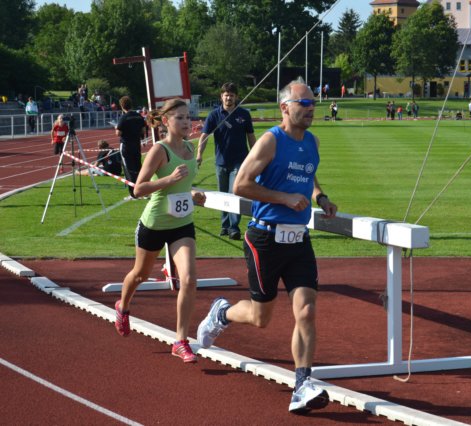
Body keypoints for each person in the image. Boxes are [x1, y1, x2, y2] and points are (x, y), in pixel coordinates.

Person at [197, 78, 337, 414]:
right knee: (261, 317)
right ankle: (221, 313)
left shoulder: (313, 141)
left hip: (299, 240)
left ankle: (302, 385)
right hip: (265, 239)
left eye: (313, 103)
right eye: (304, 103)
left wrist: (321, 196)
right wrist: (283, 198)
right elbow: (241, 185)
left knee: (307, 310)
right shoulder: (270, 141)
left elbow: (309, 175)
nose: (311, 109)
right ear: (285, 107)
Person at [114, 98, 206, 364]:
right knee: (140, 275)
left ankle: (180, 341)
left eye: (188, 117)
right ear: (165, 121)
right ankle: (123, 306)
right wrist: (168, 179)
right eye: (180, 118)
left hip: (182, 225)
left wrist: (193, 193)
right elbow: (138, 189)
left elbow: (182, 187)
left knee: (189, 279)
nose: (186, 122)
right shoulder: (159, 150)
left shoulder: (189, 147)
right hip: (154, 224)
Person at [196, 82, 256, 240]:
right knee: (222, 195)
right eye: (226, 95)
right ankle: (225, 225)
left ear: (236, 97)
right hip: (221, 162)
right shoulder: (214, 115)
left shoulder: (244, 114)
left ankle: (234, 227)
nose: (229, 98)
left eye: (232, 95)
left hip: (240, 161)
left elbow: (251, 137)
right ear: (221, 97)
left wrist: (256, 157)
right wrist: (199, 154)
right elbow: (204, 136)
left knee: (234, 193)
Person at [116, 96, 146, 198]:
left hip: (126, 145)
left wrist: (117, 128)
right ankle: (142, 191)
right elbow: (143, 130)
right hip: (136, 145)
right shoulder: (139, 116)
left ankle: (133, 193)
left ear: (122, 106)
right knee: (138, 167)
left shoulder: (124, 117)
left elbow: (118, 133)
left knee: (129, 170)